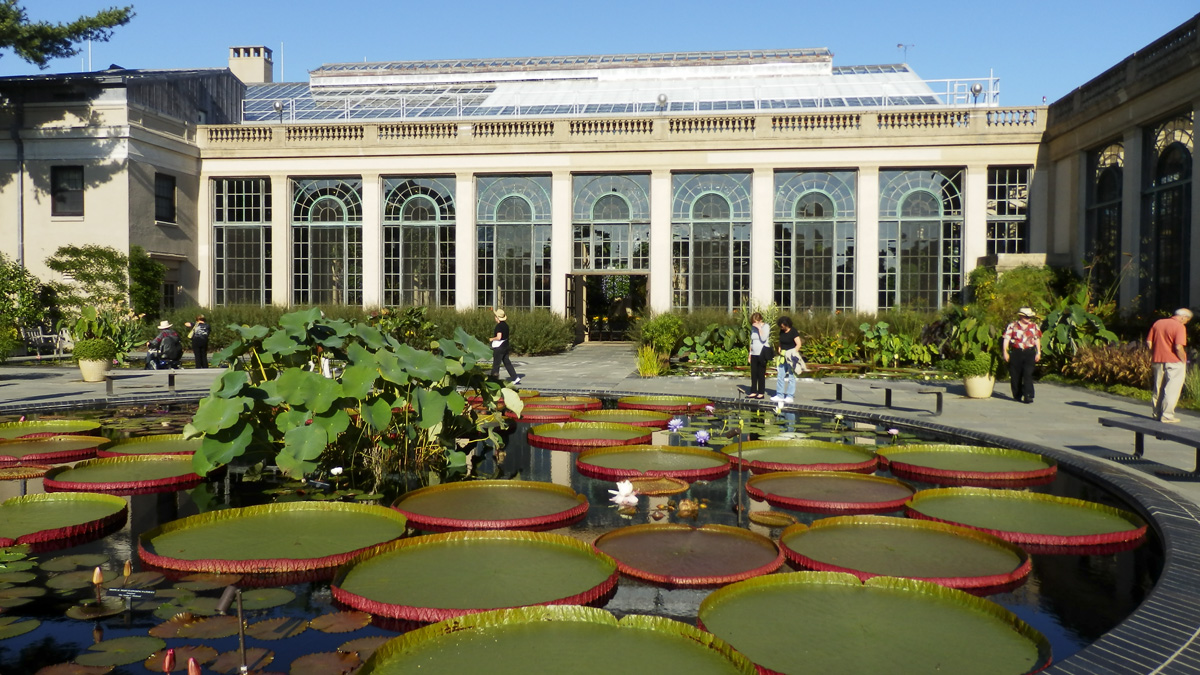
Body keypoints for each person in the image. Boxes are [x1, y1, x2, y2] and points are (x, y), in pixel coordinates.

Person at [1147, 308, 1193, 423]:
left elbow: (1148, 342)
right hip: (1174, 361)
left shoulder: (1158, 323)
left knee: (1158, 388)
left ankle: (1156, 413)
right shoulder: (1179, 327)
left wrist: (1154, 353)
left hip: (1158, 359)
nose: (1186, 322)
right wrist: (1183, 360)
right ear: (1183, 317)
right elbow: (1178, 347)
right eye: (1187, 320)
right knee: (1172, 389)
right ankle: (1167, 415)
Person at [1002, 307, 1043, 404]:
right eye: (1026, 317)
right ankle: (1017, 394)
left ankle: (1028, 395)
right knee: (1016, 375)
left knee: (1028, 374)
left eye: (1029, 317)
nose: (1028, 319)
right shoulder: (1012, 326)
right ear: (1020, 316)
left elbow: (1037, 339)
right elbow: (1006, 339)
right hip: (1017, 352)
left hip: (1029, 352)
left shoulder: (1034, 326)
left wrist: (1038, 352)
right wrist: (1005, 351)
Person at [771, 316, 802, 404]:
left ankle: (790, 396)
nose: (782, 328)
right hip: (783, 355)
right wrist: (779, 348)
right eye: (781, 326)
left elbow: (798, 344)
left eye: (783, 326)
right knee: (780, 375)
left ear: (787, 325)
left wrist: (792, 353)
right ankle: (779, 395)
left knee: (791, 377)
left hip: (791, 355)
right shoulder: (781, 331)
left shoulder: (793, 331)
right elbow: (781, 341)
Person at [489, 308, 520, 384]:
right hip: (505, 346)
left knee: (496, 364)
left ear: (497, 318)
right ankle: (515, 377)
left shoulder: (499, 326)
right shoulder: (506, 325)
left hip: (499, 347)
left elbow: (499, 337)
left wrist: (492, 339)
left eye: (495, 316)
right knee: (507, 363)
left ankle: (494, 380)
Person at [747, 312, 770, 399]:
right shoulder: (753, 328)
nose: (754, 323)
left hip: (762, 353)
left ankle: (761, 392)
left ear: (760, 320)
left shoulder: (766, 326)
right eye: (753, 322)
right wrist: (750, 354)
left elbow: (763, 338)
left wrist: (760, 328)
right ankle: (753, 391)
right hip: (754, 353)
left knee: (761, 373)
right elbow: (752, 341)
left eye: (756, 321)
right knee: (753, 373)